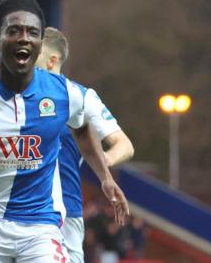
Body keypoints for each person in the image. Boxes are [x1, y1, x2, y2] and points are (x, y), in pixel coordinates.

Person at [0, 0, 129, 262]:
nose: (24, 38)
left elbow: (82, 128)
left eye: (32, 32)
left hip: (40, 226)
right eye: (14, 31)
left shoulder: (65, 94)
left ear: (39, 45)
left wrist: (105, 177)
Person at [35, 27, 134, 263]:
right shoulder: (16, 96)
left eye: (33, 56)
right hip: (21, 210)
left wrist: (103, 161)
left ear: (52, 60)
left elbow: (124, 145)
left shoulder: (80, 97)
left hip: (66, 212)